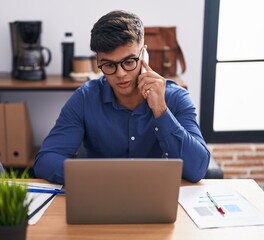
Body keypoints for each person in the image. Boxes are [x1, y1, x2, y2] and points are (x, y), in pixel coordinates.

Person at [34, 10, 210, 184]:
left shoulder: (176, 98)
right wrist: (96, 178)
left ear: (144, 55)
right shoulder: (85, 99)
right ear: (98, 61)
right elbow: (46, 160)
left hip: (158, 199)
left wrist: (160, 110)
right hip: (101, 197)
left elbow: (197, 170)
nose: (120, 74)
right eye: (109, 64)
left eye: (129, 62)